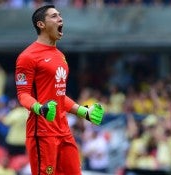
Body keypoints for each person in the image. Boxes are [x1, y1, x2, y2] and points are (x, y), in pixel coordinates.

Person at [14, 4, 105, 175]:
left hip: (63, 130)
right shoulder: (27, 57)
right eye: (54, 16)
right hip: (42, 132)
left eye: (60, 15)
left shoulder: (60, 56)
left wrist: (83, 112)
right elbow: (23, 94)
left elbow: (59, 96)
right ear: (41, 24)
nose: (60, 19)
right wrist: (40, 109)